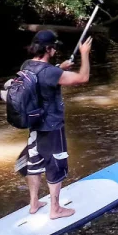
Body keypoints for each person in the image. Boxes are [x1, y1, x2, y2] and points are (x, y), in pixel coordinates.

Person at [17, 30, 92, 219]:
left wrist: (60, 67)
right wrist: (84, 53)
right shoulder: (51, 72)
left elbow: (43, 76)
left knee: (34, 163)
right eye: (54, 47)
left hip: (34, 125)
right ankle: (55, 209)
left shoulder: (27, 66)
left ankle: (34, 203)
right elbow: (83, 78)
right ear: (49, 49)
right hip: (51, 126)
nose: (55, 50)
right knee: (55, 165)